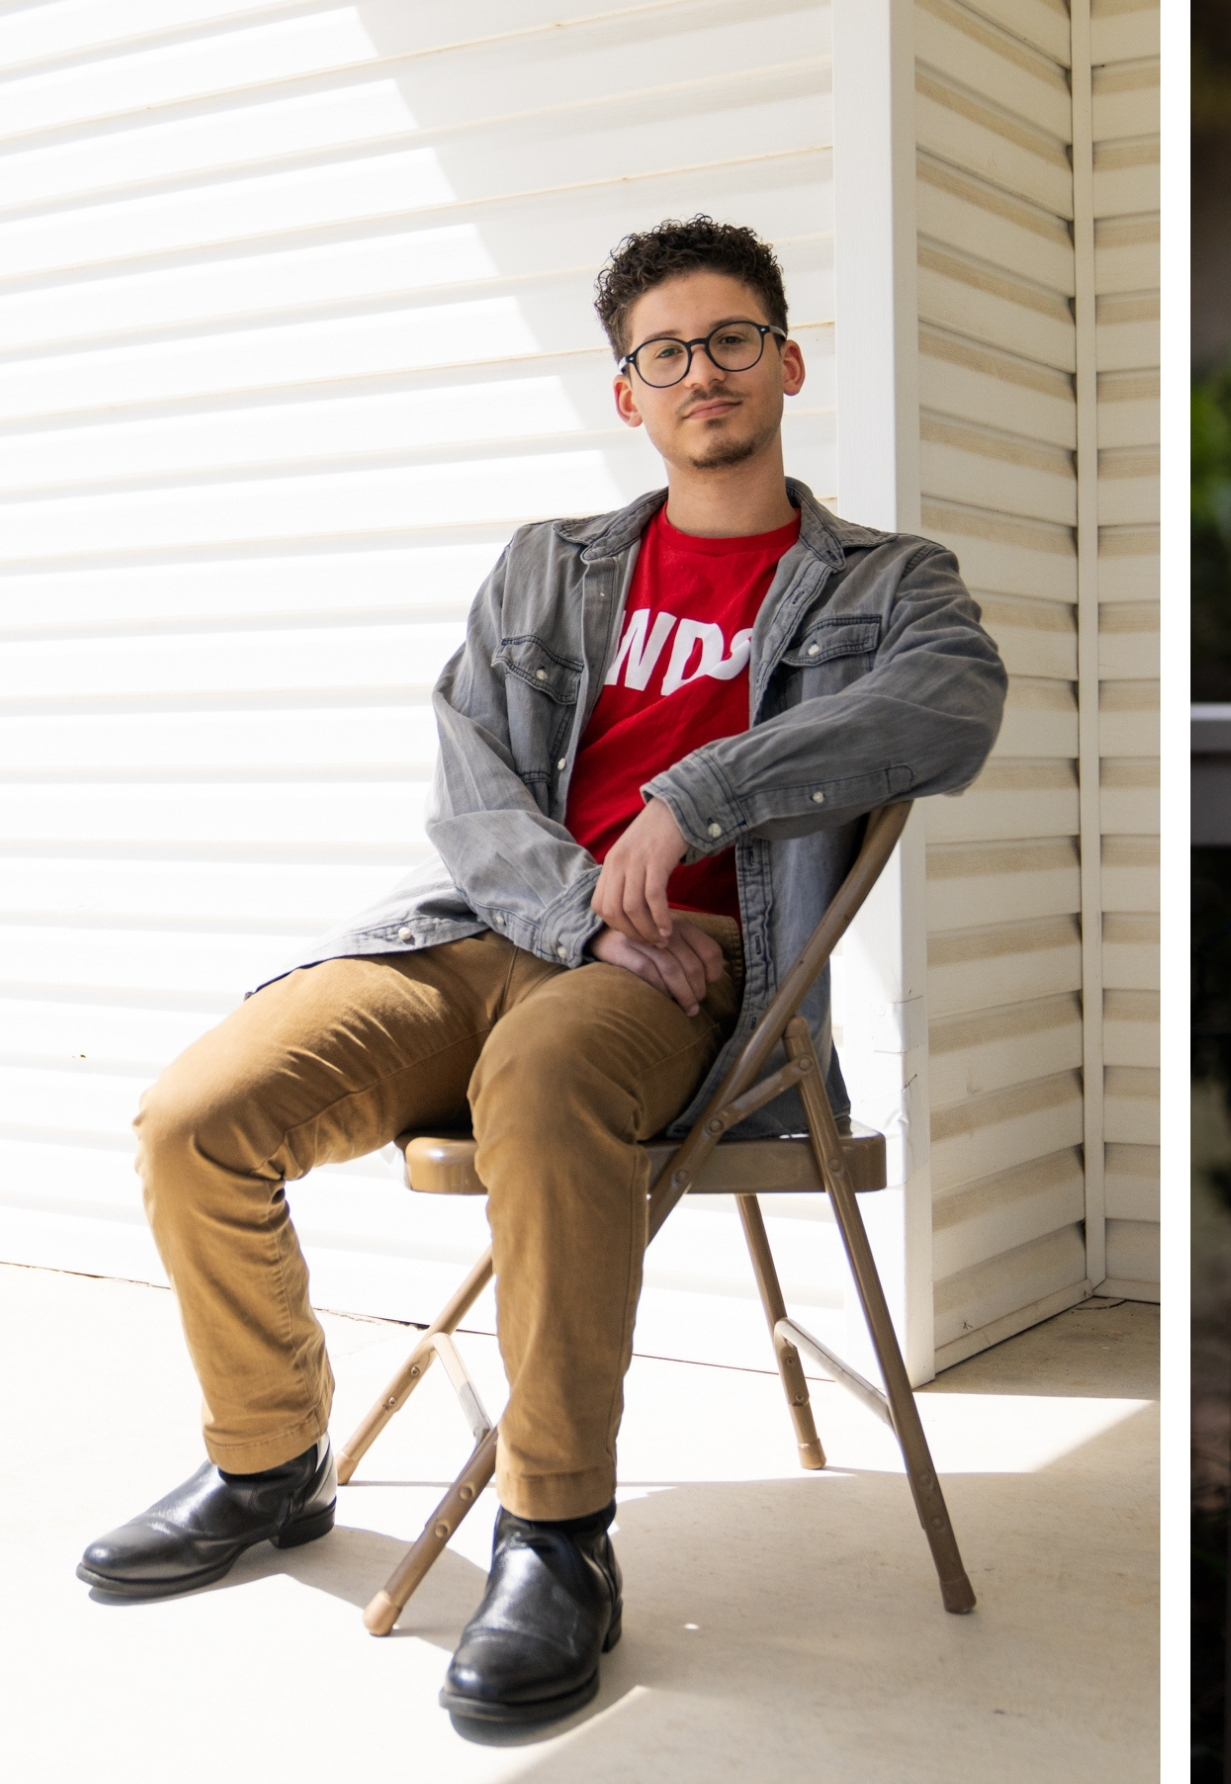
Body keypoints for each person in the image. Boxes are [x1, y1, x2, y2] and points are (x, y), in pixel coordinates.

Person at [75, 216, 1007, 1721]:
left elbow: (951, 710)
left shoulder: (883, 586)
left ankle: (557, 1531)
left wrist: (697, 800)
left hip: (695, 980)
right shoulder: (547, 570)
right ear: (625, 392)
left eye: (730, 339)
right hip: (477, 936)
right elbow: (467, 788)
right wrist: (589, 906)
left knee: (548, 1071)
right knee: (197, 1119)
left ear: (786, 359)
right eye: (665, 352)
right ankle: (267, 1462)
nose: (701, 370)